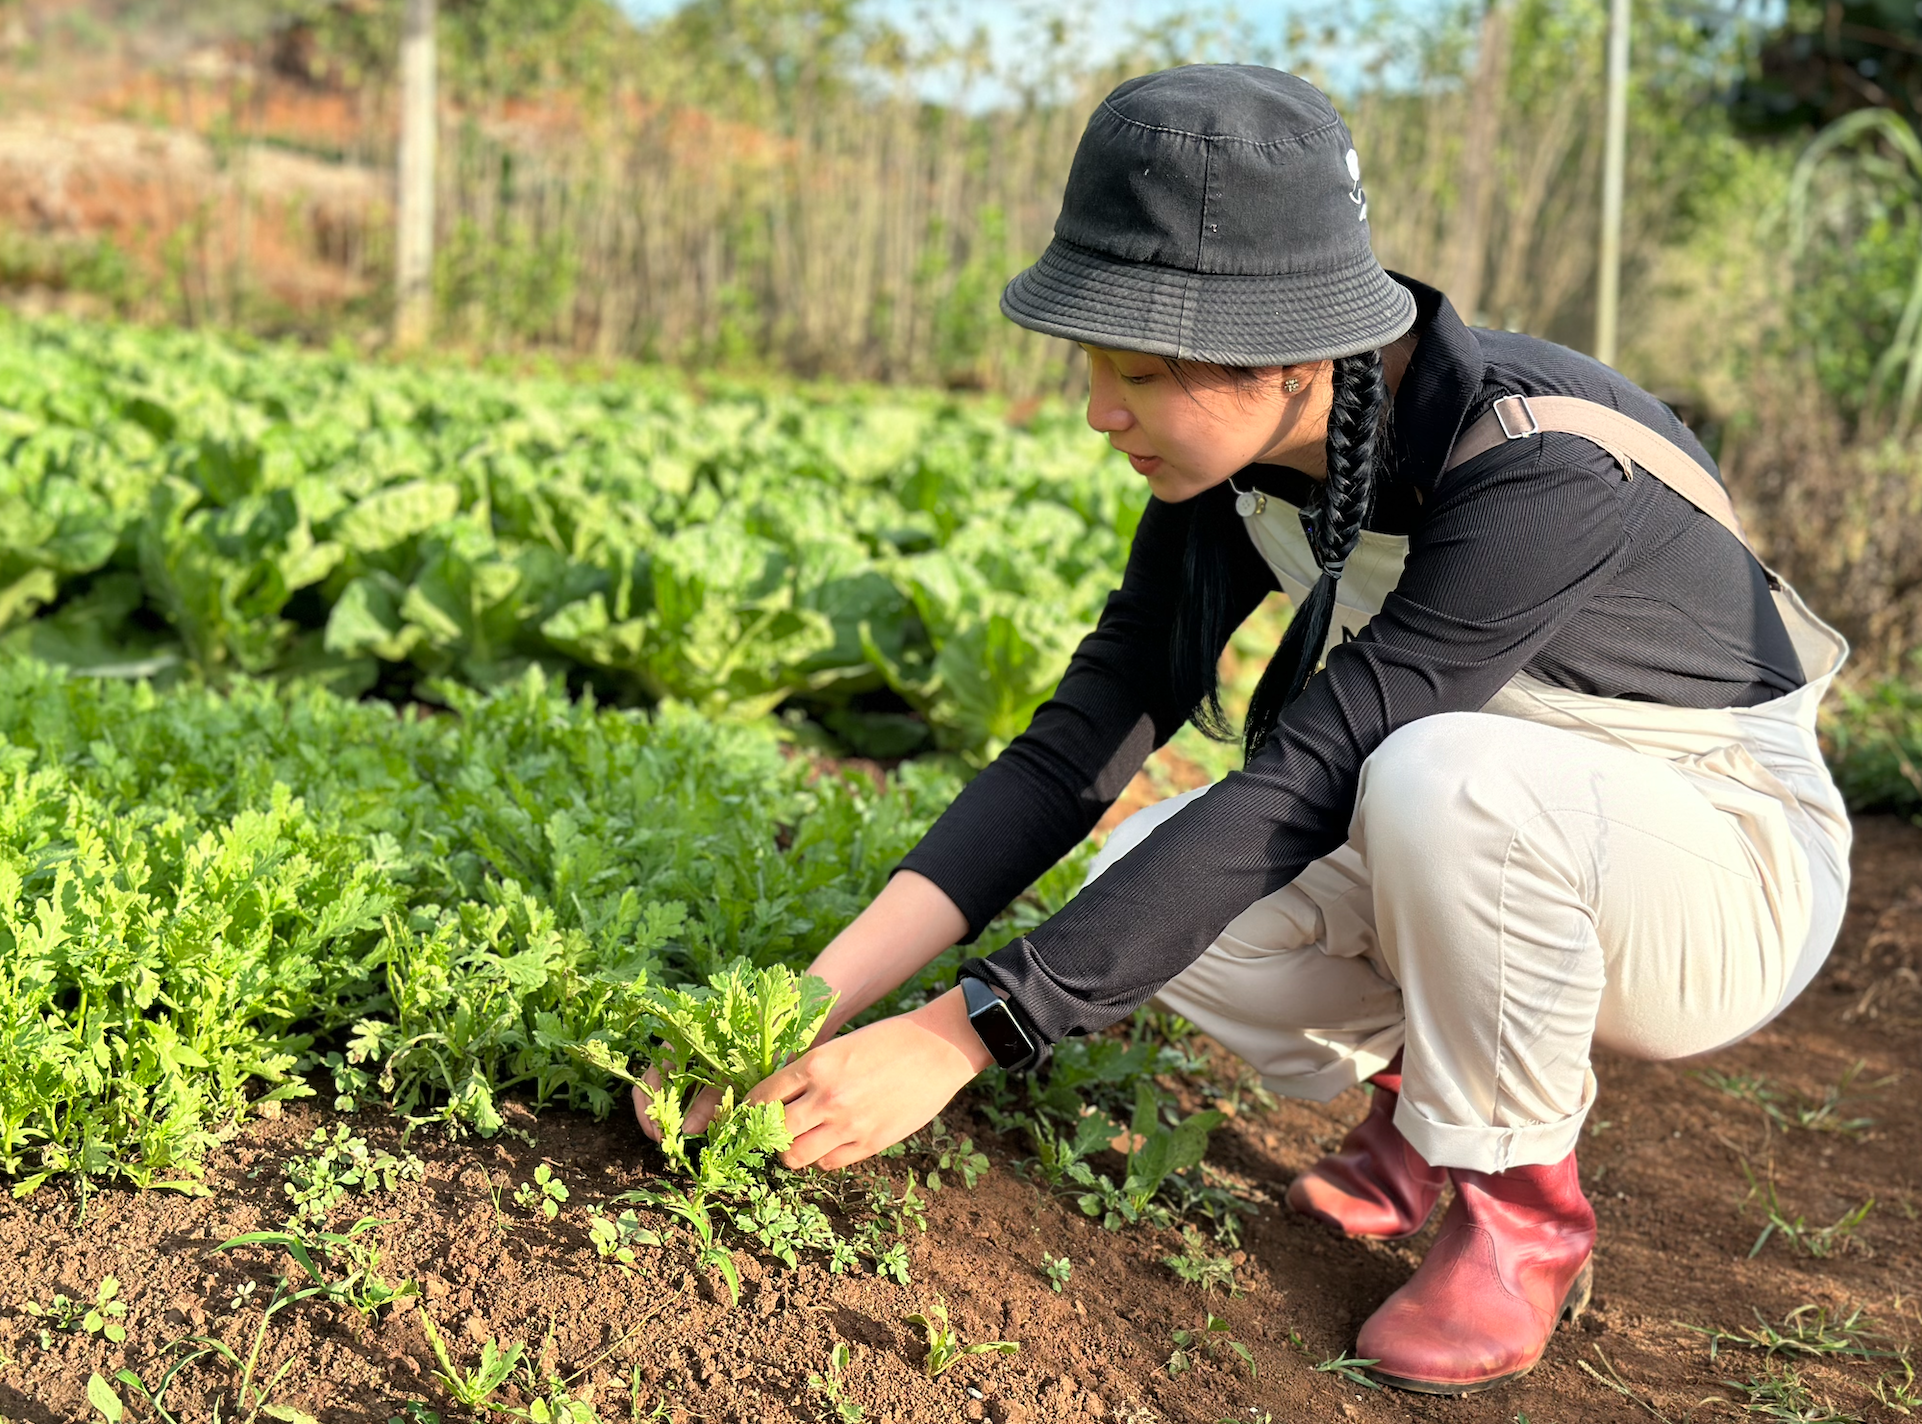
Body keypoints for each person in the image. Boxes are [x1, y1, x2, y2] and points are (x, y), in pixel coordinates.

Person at [635, 64, 1851, 1394]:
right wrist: (809, 1003)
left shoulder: (1536, 460)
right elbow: (1079, 742)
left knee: (1437, 776)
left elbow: (1314, 775)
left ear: (1291, 355)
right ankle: (1426, 1102)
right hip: (1491, 821)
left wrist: (963, 1034)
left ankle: (1519, 1214)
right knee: (1135, 872)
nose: (1100, 411)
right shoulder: (1244, 462)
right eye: (1095, 365)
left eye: (1141, 373)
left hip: (1721, 864)